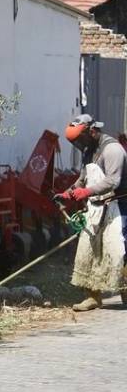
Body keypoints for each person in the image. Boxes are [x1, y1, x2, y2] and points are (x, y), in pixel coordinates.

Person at [56, 114, 127, 312]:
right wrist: (67, 194)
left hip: (117, 206)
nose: (78, 144)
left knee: (118, 252)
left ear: (92, 131)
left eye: (80, 139)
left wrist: (86, 192)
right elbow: (83, 179)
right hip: (95, 208)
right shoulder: (89, 152)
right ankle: (93, 297)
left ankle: (125, 291)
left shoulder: (112, 149)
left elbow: (113, 181)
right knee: (87, 252)